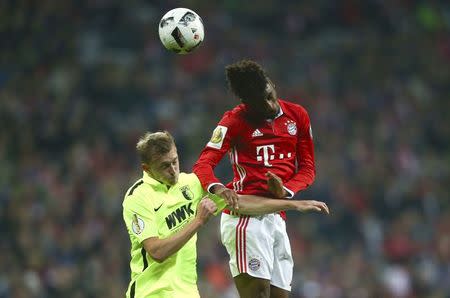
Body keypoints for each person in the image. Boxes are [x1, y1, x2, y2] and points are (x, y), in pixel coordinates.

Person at [123, 131, 328, 298]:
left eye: (175, 161)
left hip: (187, 292)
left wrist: (291, 204)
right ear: (146, 169)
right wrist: (198, 221)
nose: (173, 170)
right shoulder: (138, 197)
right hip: (150, 293)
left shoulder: (191, 184)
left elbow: (239, 201)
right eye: (164, 166)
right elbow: (157, 252)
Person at [193, 59, 317, 298]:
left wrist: (286, 190)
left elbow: (308, 168)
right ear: (247, 104)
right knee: (258, 294)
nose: (270, 106)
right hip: (245, 219)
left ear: (271, 84)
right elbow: (203, 164)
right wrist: (218, 188)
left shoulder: (297, 116)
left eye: (270, 96)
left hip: (277, 215)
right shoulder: (233, 121)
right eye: (262, 104)